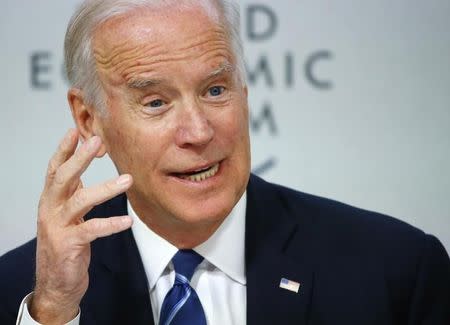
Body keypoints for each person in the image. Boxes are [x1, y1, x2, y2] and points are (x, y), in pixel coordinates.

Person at [1, 0, 449, 324]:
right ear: (88, 118)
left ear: (244, 93)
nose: (198, 132)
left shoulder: (397, 270)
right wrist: (55, 312)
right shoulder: (25, 293)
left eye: (216, 90)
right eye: (156, 102)